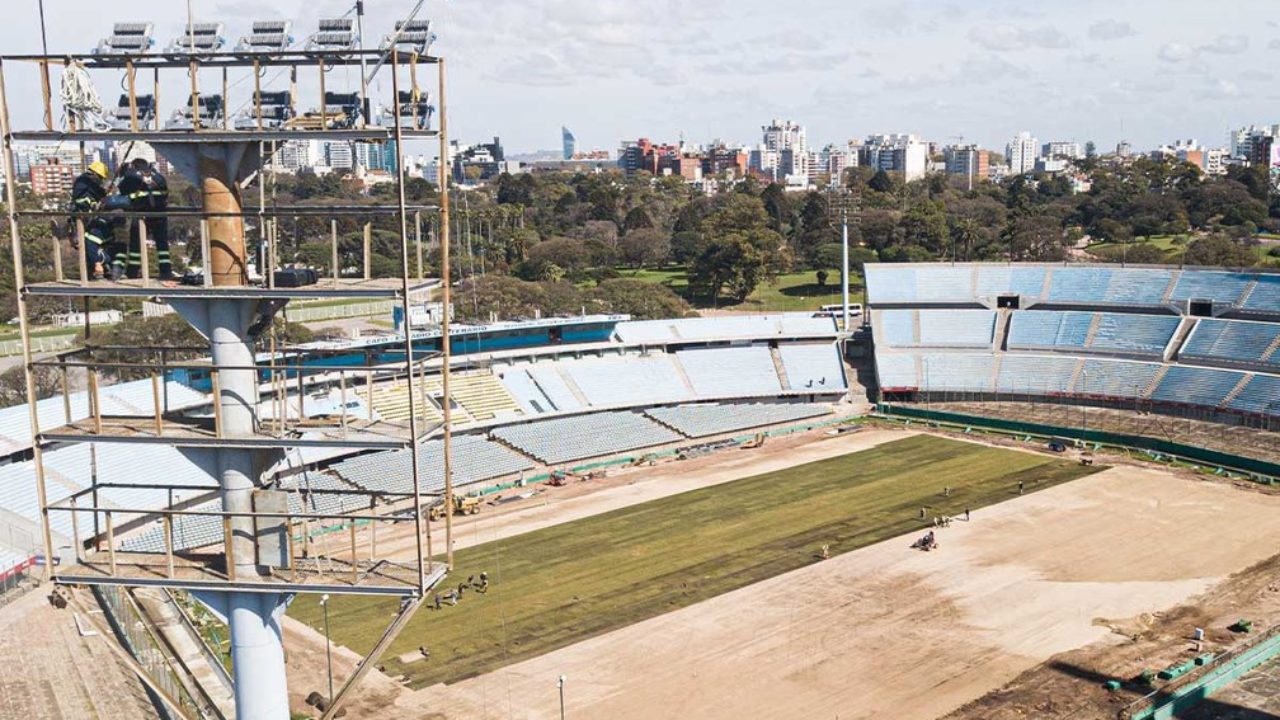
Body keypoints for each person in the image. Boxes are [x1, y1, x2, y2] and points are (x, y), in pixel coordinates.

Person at [117, 159, 172, 279]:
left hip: (141, 213)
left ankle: (132, 272)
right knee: (162, 243)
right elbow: (165, 193)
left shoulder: (131, 176)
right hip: (160, 213)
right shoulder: (157, 176)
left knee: (136, 243)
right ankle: (166, 272)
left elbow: (122, 190)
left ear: (135, 166)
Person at [69, 161, 117, 279]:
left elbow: (98, 193)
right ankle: (98, 266)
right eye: (100, 178)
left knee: (86, 244)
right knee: (85, 243)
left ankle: (97, 268)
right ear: (97, 175)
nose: (100, 180)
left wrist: (104, 193)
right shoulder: (87, 181)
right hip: (82, 218)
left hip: (83, 219)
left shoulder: (85, 181)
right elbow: (93, 196)